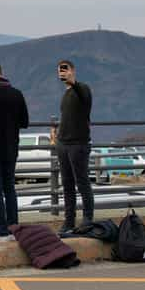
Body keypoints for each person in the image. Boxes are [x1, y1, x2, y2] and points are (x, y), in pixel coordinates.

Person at [0, 59, 29, 241]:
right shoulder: (17, 94)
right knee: (10, 187)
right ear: (0, 71)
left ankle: (1, 230)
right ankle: (14, 227)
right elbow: (24, 122)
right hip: (11, 148)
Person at [54, 59, 94, 234]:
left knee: (82, 182)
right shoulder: (65, 94)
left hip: (79, 144)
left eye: (65, 69)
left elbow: (84, 99)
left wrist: (74, 83)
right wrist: (57, 134)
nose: (62, 72)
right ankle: (69, 221)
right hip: (63, 144)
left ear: (73, 70)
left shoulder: (82, 89)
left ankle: (87, 219)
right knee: (67, 184)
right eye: (60, 70)